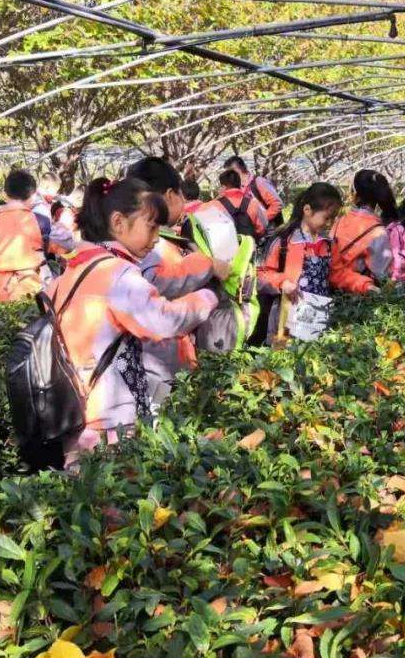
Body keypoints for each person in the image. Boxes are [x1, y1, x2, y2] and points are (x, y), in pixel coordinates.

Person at [46, 178, 217, 464]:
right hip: (108, 420)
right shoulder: (118, 275)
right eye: (151, 227)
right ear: (119, 222)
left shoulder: (76, 268)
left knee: (81, 484)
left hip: (73, 410)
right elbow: (164, 320)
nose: (156, 239)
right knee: (112, 484)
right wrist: (206, 298)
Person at [126, 157, 229, 405]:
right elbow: (159, 285)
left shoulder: (130, 237)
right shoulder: (152, 245)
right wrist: (208, 274)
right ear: (170, 195)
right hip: (156, 362)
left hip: (152, 358)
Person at [0, 170, 71, 303]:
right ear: (33, 195)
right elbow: (67, 243)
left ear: (5, 195)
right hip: (35, 291)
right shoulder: (41, 222)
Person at [257, 183, 342, 342]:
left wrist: (365, 285)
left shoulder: (328, 244)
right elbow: (261, 274)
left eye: (334, 217)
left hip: (319, 316)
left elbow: (339, 274)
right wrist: (282, 283)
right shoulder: (283, 241)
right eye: (327, 217)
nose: (330, 223)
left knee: (313, 353)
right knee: (282, 353)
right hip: (285, 316)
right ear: (307, 210)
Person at [330, 170, 396, 294]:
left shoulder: (340, 220)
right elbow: (382, 275)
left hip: (332, 285)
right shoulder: (377, 232)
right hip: (357, 291)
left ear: (355, 193)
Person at [224, 155, 284, 227]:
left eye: (228, 173)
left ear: (237, 170)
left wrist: (262, 220)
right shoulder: (234, 187)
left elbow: (277, 204)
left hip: (268, 228)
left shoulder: (259, 182)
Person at [216, 168, 269, 240]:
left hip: (227, 245)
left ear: (224, 187)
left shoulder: (215, 205)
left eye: (220, 187)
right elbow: (263, 226)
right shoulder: (253, 203)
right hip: (250, 245)